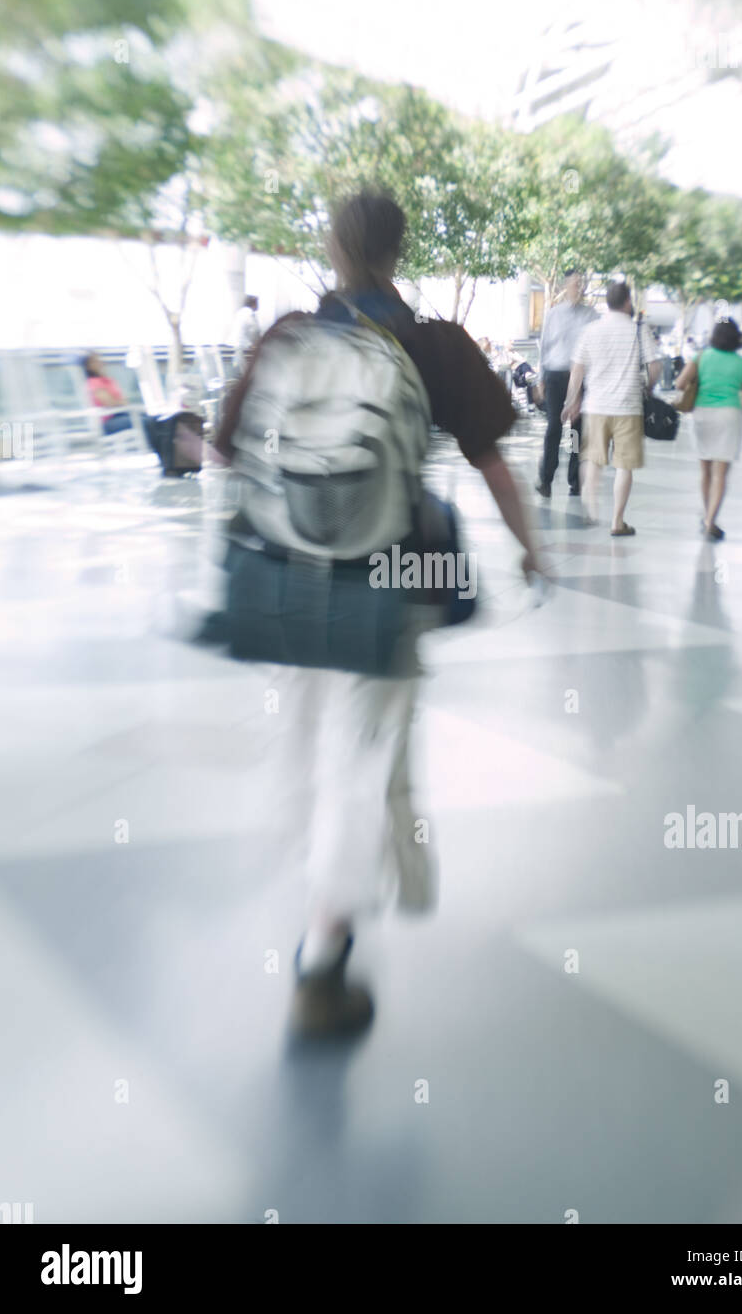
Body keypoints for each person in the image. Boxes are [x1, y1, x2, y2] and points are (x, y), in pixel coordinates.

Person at [215, 192, 543, 1039]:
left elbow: (225, 446)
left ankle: (312, 888)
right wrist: (530, 549)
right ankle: (322, 964)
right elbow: (491, 462)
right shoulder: (434, 344)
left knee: (307, 745)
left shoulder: (289, 336)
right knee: (362, 762)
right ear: (400, 250)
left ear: (330, 246)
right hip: (390, 584)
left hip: (287, 579)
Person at [562, 280, 661, 537]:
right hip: (629, 407)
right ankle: (617, 522)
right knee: (624, 466)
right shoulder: (639, 330)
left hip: (595, 406)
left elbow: (577, 370)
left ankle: (590, 507)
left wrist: (572, 400)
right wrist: (649, 387)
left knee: (592, 459)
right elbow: (655, 367)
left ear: (608, 303)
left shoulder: (590, 330)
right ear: (628, 302)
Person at [674, 317, 742, 541]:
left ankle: (706, 513)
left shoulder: (702, 357)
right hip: (729, 415)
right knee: (721, 473)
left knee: (706, 470)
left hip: (702, 414)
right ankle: (711, 520)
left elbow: (680, 383)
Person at [535, 270, 598, 498]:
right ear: (565, 285)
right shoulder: (553, 314)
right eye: (574, 282)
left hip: (580, 378)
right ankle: (546, 479)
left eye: (581, 283)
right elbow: (545, 346)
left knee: (576, 430)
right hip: (555, 375)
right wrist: (540, 379)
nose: (578, 287)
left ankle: (575, 480)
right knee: (554, 426)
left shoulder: (591, 315)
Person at [81, 353, 133, 435]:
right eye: (95, 362)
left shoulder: (108, 380)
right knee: (145, 422)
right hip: (109, 421)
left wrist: (119, 402)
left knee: (152, 420)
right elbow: (110, 403)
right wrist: (119, 402)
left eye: (99, 360)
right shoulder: (92, 382)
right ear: (88, 366)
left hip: (122, 415)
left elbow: (124, 401)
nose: (99, 363)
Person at [232, 295, 261, 376]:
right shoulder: (249, 314)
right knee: (246, 374)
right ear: (253, 304)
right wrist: (254, 344)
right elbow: (254, 330)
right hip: (243, 348)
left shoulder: (241, 313)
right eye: (257, 303)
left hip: (238, 347)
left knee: (242, 373)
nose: (258, 305)